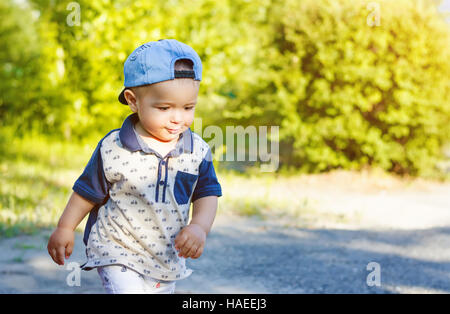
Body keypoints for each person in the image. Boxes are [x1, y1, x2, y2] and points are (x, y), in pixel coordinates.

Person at [47, 39, 222, 294]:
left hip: (166, 257)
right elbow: (87, 191)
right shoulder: (113, 147)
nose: (178, 117)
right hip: (117, 250)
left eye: (188, 107)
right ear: (133, 100)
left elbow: (206, 193)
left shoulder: (198, 151)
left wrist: (199, 227)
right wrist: (65, 227)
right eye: (164, 107)